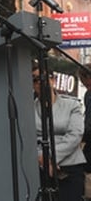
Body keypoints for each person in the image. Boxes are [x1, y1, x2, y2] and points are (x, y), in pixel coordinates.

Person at [33, 67, 86, 201]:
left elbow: (75, 135)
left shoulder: (72, 105)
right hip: (40, 166)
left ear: (53, 80)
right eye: (35, 80)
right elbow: (27, 138)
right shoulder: (29, 109)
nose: (40, 82)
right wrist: (41, 158)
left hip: (69, 165)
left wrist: (50, 156)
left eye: (43, 78)